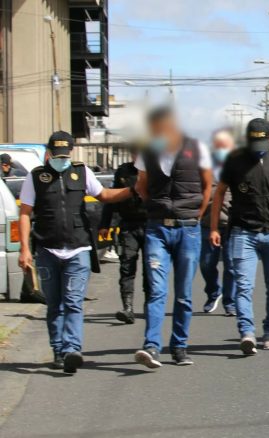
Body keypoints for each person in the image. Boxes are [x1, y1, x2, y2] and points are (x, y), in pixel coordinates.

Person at [18, 131, 132, 373]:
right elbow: (25, 213)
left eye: (65, 155)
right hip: (47, 249)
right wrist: (25, 249)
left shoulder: (82, 172)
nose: (61, 159)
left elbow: (104, 195)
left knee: (73, 302)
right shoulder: (36, 177)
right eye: (56, 155)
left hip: (78, 248)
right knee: (54, 304)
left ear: (70, 152)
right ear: (48, 153)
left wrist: (134, 190)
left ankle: (72, 350)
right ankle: (58, 351)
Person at [133, 107, 213, 368]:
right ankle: (151, 347)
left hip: (188, 228)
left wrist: (196, 216)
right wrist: (157, 208)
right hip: (158, 229)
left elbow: (207, 185)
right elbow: (141, 186)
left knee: (183, 294)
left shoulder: (197, 147)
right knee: (156, 290)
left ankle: (179, 346)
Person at [210, 118, 269, 354]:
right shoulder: (234, 160)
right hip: (243, 232)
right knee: (244, 285)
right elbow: (219, 194)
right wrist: (214, 227)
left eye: (262, 141)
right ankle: (247, 332)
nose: (258, 145)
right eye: (253, 141)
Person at [98, 147, 148, 324]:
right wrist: (105, 224)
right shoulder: (123, 171)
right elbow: (112, 199)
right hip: (128, 226)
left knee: (151, 269)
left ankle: (151, 307)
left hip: (151, 226)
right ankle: (128, 308)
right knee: (127, 266)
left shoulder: (155, 169)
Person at [200, 129, 236, 315]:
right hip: (207, 223)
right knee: (206, 263)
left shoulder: (239, 166)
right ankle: (214, 293)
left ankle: (230, 301)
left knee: (231, 264)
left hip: (233, 224)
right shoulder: (205, 167)